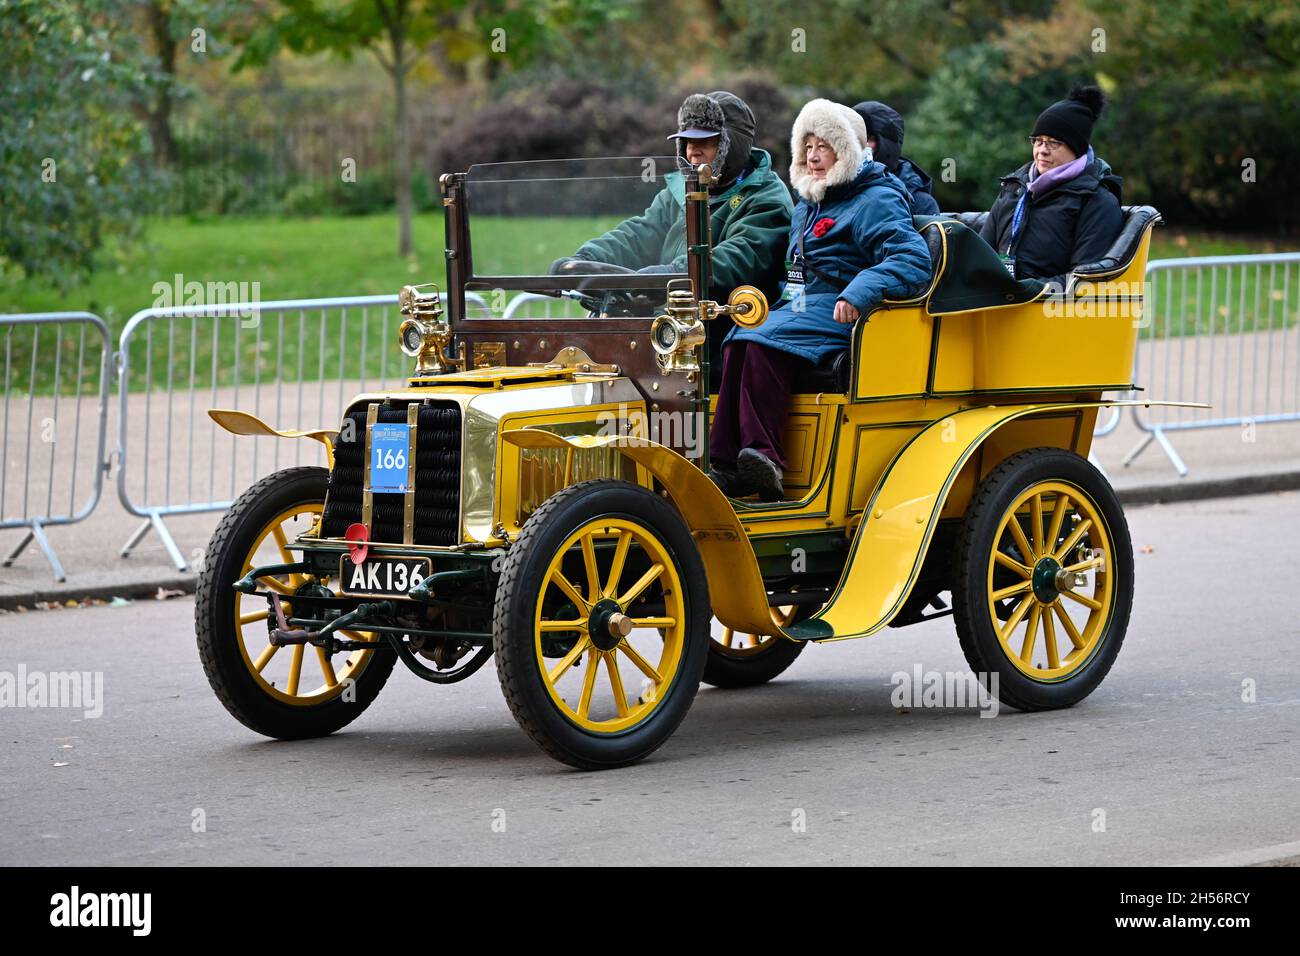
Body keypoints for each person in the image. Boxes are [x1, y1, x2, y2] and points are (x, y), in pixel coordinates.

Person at [709, 99, 931, 502]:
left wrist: (859, 292)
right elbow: (795, 274)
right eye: (807, 146)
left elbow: (912, 260)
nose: (812, 157)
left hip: (845, 312)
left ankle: (764, 456)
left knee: (759, 342)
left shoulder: (876, 198)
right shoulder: (810, 201)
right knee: (737, 338)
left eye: (823, 147)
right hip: (804, 308)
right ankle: (726, 463)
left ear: (846, 151)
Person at [556, 91, 793, 362]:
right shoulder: (681, 191)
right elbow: (641, 233)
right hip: (667, 328)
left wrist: (670, 275)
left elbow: (738, 258)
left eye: (705, 141)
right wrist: (586, 259)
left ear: (732, 145)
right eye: (687, 141)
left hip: (721, 335)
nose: (692, 151)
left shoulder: (766, 199)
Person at [979, 85, 1124, 288]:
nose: (1042, 151)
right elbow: (979, 256)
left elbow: (1083, 282)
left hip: (1047, 312)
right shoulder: (1014, 187)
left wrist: (1021, 292)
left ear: (1077, 149)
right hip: (997, 305)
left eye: (1053, 143)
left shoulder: (1097, 201)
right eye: (1038, 141)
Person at [852, 100, 940, 215]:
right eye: (854, 138)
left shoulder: (920, 203)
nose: (859, 145)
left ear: (887, 144)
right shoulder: (834, 190)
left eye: (868, 138)